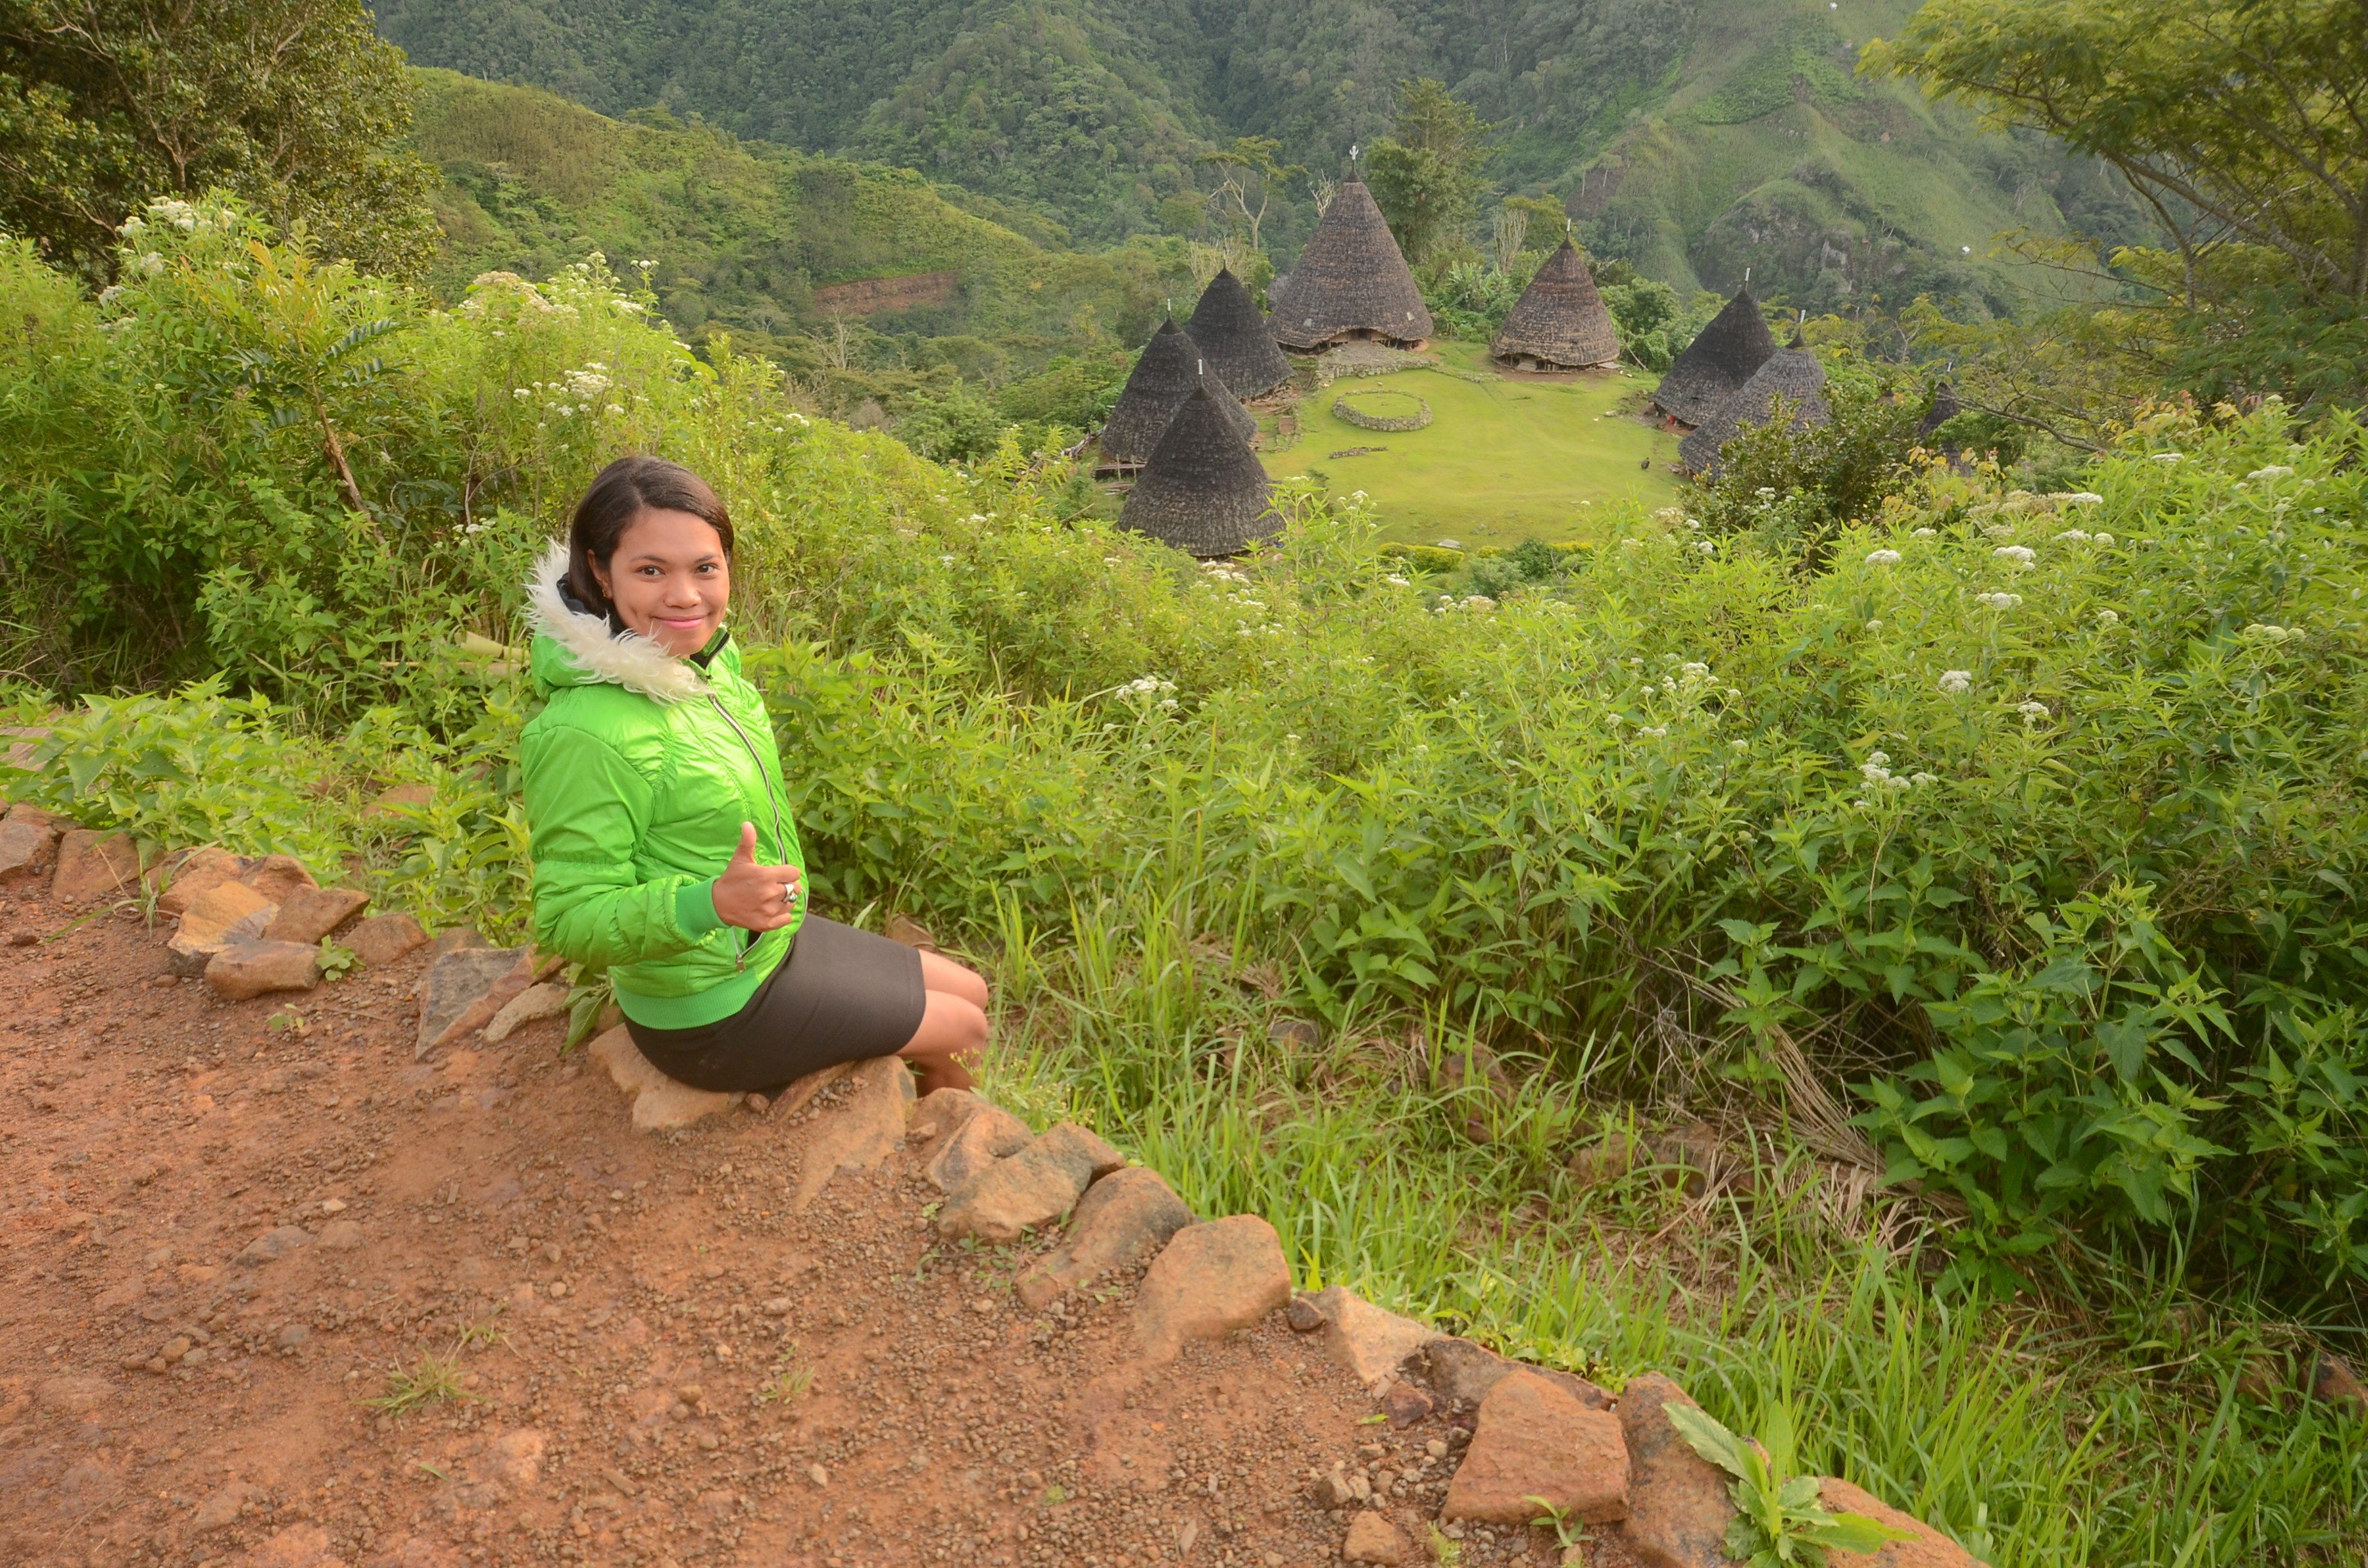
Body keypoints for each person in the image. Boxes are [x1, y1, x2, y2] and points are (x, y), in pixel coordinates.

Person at [518, 454, 989, 1099]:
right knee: (962, 1025)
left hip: (761, 938)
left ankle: (935, 1109)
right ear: (599, 570)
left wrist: (737, 907)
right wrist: (709, 902)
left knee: (972, 992)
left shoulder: (704, 666)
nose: (685, 596)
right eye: (651, 570)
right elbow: (568, 920)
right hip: (709, 1010)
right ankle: (941, 1147)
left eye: (705, 568)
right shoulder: (587, 731)